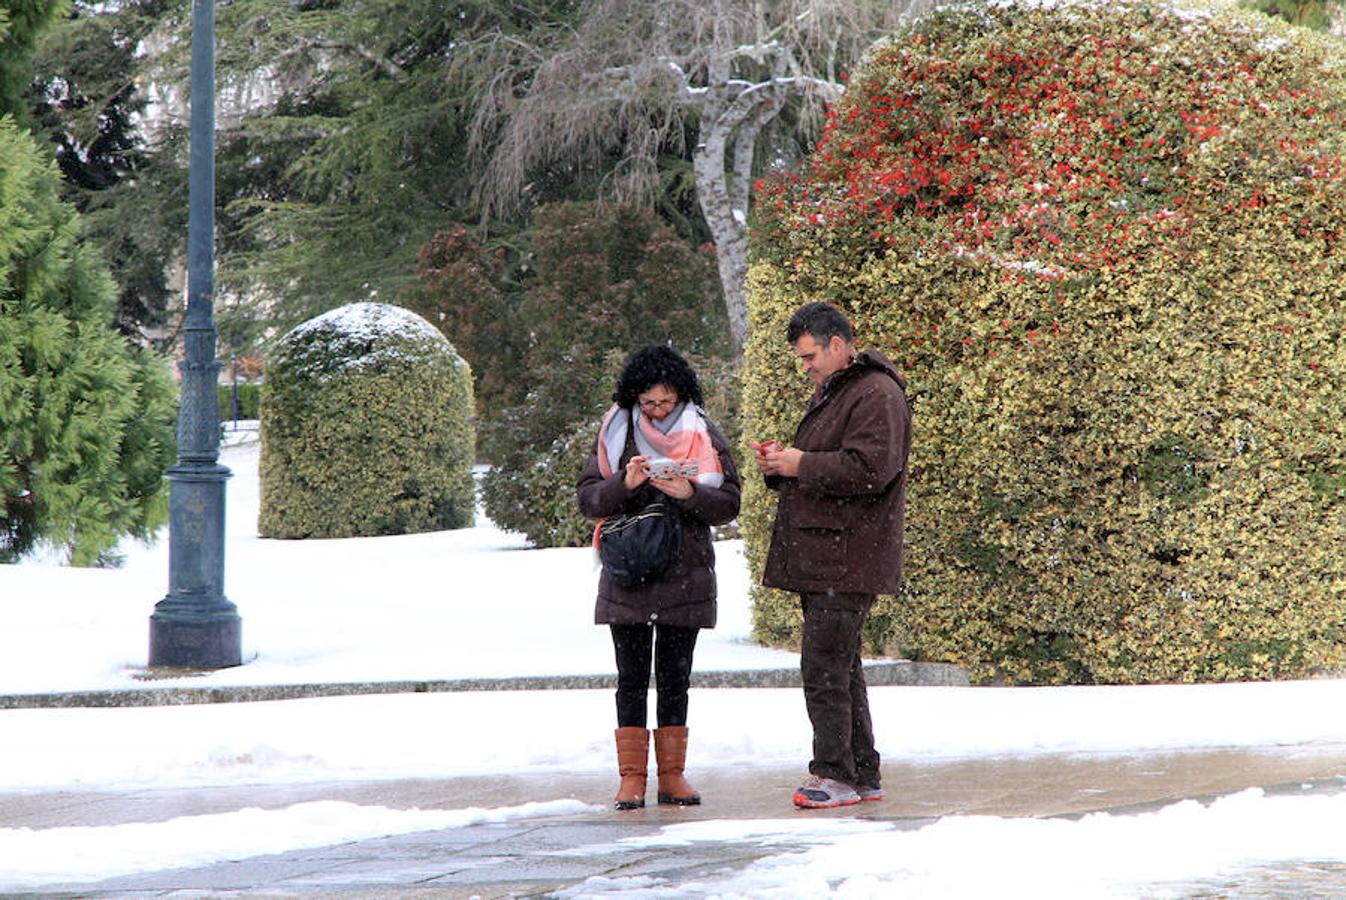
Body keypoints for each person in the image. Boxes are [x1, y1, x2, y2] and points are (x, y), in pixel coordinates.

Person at [753, 301, 911, 809]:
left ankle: (833, 774)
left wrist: (801, 463)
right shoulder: (845, 391)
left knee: (824, 666)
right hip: (832, 553)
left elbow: (871, 469)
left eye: (810, 356)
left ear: (838, 345)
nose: (806, 367)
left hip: (847, 556)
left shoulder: (876, 393)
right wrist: (783, 465)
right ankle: (861, 773)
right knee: (840, 667)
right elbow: (836, 463)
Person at [578, 345, 742, 810]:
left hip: (684, 574)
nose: (657, 410)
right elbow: (589, 499)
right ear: (634, 396)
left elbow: (730, 502)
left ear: (681, 394)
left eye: (666, 401)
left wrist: (688, 493)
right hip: (628, 572)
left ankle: (673, 777)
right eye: (648, 402)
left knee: (675, 680)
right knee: (630, 680)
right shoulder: (616, 429)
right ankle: (631, 779)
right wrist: (625, 483)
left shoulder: (703, 432)